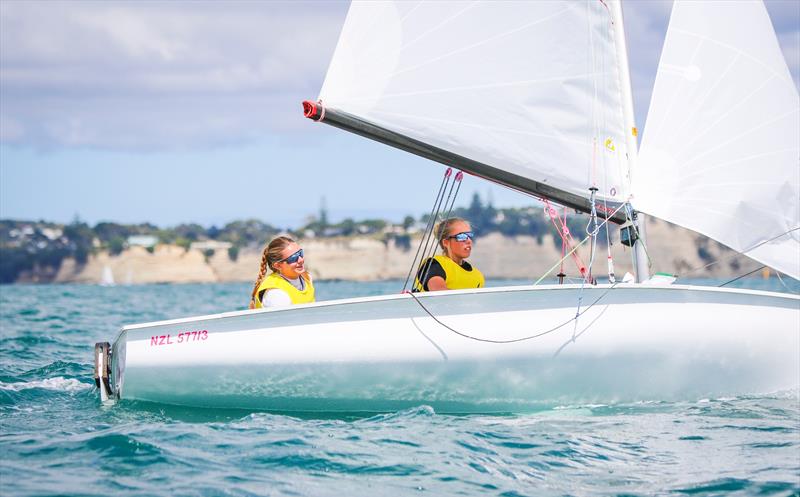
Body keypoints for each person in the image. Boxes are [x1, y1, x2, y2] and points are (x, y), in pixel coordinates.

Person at [414, 217, 485, 292]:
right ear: (446, 242)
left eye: (469, 236)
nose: (469, 241)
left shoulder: (478, 276)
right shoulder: (433, 265)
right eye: (461, 236)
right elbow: (438, 292)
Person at [249, 236, 315, 309]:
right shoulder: (275, 294)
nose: (300, 260)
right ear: (277, 265)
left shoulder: (307, 277)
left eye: (300, 253)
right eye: (293, 258)